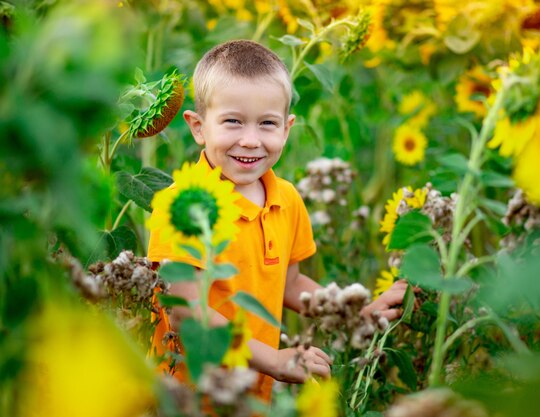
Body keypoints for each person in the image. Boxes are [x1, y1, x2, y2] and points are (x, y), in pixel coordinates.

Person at [147, 39, 411, 402]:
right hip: (188, 396)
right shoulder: (181, 205)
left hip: (254, 396)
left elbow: (290, 283)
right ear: (197, 127)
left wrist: (355, 314)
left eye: (267, 124)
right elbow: (185, 314)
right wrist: (273, 359)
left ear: (287, 128)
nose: (251, 140)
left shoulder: (286, 199)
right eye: (233, 122)